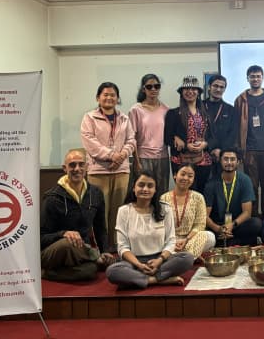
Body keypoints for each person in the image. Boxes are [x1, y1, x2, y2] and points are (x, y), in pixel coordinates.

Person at [106, 170, 194, 289]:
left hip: (160, 260)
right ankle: (158, 280)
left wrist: (159, 260)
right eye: (141, 185)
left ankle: (140, 279)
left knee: (187, 258)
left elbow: (171, 241)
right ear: (133, 187)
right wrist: (138, 264)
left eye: (150, 186)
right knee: (112, 271)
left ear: (155, 189)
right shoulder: (124, 211)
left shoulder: (165, 209)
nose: (145, 189)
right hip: (133, 262)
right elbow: (122, 247)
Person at [40, 149, 115, 281]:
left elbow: (100, 229)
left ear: (87, 167)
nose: (77, 169)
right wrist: (63, 234)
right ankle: (94, 257)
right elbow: (40, 238)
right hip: (55, 252)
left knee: (89, 272)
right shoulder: (52, 198)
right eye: (72, 165)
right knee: (69, 243)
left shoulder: (96, 194)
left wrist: (105, 251)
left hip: (80, 252)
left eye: (81, 164)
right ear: (65, 168)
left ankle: (47, 273)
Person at [80, 81, 136, 250]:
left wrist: (122, 156)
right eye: (105, 94)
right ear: (98, 98)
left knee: (118, 212)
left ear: (117, 98)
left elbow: (131, 140)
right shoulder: (89, 118)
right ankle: (101, 248)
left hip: (121, 171)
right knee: (99, 213)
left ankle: (116, 247)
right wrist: (112, 156)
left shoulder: (124, 118)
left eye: (113, 95)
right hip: (98, 171)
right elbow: (90, 142)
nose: (109, 98)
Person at [234, 65, 264, 217]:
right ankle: (253, 219)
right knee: (251, 187)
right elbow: (235, 126)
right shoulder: (241, 99)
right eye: (252, 76)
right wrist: (238, 150)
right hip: (249, 151)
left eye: (258, 76)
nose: (255, 79)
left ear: (262, 77)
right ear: (247, 78)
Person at [164, 75, 215, 194]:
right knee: (184, 192)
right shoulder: (173, 113)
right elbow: (167, 138)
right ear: (181, 92)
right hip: (181, 160)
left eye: (194, 89)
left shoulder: (206, 114)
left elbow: (214, 137)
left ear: (198, 92)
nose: (190, 92)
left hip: (203, 160)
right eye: (186, 89)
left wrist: (205, 144)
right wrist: (185, 145)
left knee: (202, 193)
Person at [204, 148, 262, 246]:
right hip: (218, 224)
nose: (229, 162)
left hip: (236, 224)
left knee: (256, 224)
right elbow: (205, 215)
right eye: (226, 159)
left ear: (238, 162)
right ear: (220, 161)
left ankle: (226, 241)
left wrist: (232, 225)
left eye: (232, 159)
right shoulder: (211, 183)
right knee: (206, 232)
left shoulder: (245, 180)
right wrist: (218, 229)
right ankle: (233, 241)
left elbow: (247, 213)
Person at [160, 164, 216, 259]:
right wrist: (173, 242)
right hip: (170, 240)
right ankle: (188, 257)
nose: (185, 178)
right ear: (175, 175)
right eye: (182, 174)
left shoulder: (198, 197)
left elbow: (200, 224)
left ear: (193, 179)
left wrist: (186, 240)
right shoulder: (164, 198)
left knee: (210, 237)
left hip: (191, 239)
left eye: (190, 176)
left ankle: (178, 257)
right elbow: (161, 225)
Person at [128, 73, 170, 194]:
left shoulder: (166, 109)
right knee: (143, 193)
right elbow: (131, 138)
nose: (153, 89)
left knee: (161, 193)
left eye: (157, 86)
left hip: (162, 158)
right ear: (143, 89)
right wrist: (136, 161)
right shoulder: (136, 110)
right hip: (142, 158)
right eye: (149, 86)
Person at [202, 74, 238, 177]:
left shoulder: (231, 110)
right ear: (209, 87)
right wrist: (210, 148)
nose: (218, 89)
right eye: (215, 86)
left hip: (223, 155)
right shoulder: (199, 107)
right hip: (203, 153)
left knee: (220, 185)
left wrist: (220, 150)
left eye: (221, 87)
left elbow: (232, 133)